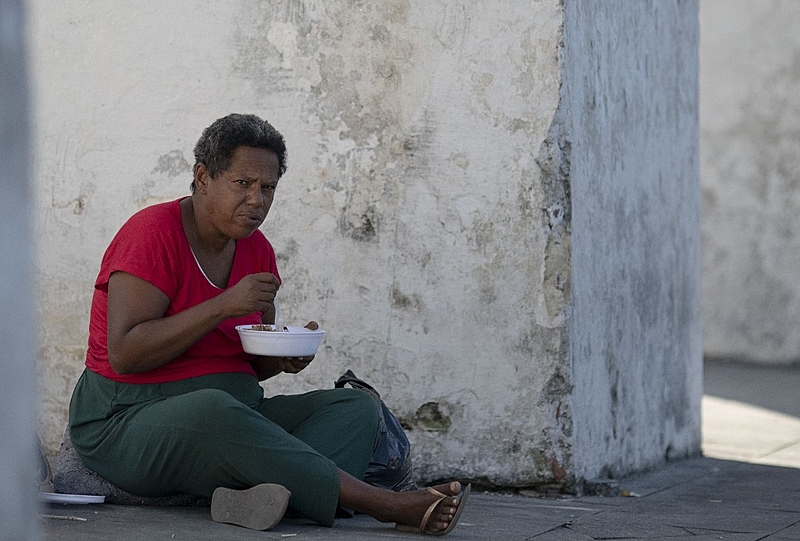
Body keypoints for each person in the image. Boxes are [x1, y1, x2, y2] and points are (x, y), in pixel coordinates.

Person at [68, 113, 469, 535]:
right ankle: (383, 504)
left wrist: (280, 359)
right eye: (243, 183)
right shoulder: (152, 233)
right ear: (203, 177)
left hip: (238, 410)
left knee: (354, 409)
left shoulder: (257, 250)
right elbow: (126, 353)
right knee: (212, 409)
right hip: (127, 419)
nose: (256, 200)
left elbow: (246, 366)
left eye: (268, 187)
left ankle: (257, 497)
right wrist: (222, 305)